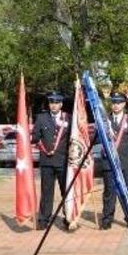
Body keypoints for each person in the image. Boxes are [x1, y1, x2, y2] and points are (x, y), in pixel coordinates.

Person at [98, 92, 128, 229]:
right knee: (109, 192)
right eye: (113, 102)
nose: (116, 105)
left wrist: (124, 151)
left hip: (125, 163)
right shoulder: (104, 120)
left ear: (123, 104)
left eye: (118, 102)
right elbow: (98, 139)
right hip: (108, 162)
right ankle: (107, 220)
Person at [32, 92, 71, 230]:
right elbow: (35, 137)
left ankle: (69, 217)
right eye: (51, 103)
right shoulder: (41, 118)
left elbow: (74, 138)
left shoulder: (69, 118)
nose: (53, 105)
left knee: (66, 191)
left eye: (56, 103)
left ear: (61, 104)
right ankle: (43, 219)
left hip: (63, 161)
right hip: (47, 161)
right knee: (46, 191)